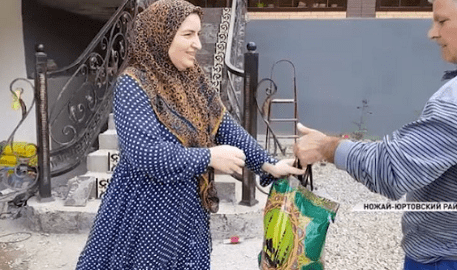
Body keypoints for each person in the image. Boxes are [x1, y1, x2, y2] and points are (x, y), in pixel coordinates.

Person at [75, 0, 303, 269]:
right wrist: (207, 157)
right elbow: (143, 153)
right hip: (146, 214)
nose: (198, 44)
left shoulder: (193, 78)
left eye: (198, 33)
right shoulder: (133, 84)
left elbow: (223, 126)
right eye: (188, 34)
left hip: (188, 212)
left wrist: (268, 163)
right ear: (160, 36)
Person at [293, 0, 457, 269]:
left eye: (441, 21)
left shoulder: (453, 103)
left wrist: (326, 147)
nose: (432, 33)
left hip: (443, 258)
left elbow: (392, 168)